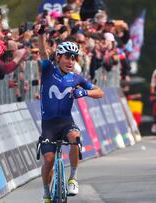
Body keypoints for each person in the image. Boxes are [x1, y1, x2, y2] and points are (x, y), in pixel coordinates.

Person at [35, 24, 103, 203]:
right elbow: (42, 52)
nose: (71, 61)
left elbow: (99, 92)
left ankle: (72, 178)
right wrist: (41, 35)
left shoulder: (77, 78)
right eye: (67, 57)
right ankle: (46, 193)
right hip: (48, 125)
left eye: (74, 58)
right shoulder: (49, 71)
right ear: (58, 57)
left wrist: (85, 92)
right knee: (48, 160)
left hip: (66, 122)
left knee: (76, 137)